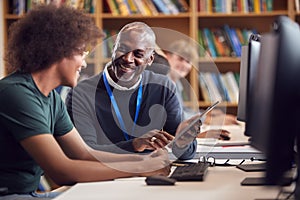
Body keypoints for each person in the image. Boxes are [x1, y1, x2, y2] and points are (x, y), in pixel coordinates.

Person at [0, 5, 171, 199]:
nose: (84, 63)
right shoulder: (16, 94)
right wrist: (139, 167)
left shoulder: (51, 98)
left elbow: (83, 153)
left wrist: (144, 159)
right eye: (82, 52)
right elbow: (62, 171)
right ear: (58, 50)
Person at [66, 22, 197, 160]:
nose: (128, 59)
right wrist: (134, 145)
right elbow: (84, 152)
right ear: (113, 48)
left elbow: (185, 154)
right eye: (122, 49)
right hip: (104, 176)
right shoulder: (81, 94)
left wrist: (184, 140)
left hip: (149, 173)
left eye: (138, 54)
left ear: (150, 59)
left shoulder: (163, 87)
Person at [163, 39, 239, 139]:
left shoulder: (176, 83)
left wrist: (205, 113)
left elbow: (182, 109)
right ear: (167, 56)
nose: (184, 65)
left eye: (188, 62)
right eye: (180, 59)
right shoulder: (163, 82)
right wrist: (207, 119)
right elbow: (176, 117)